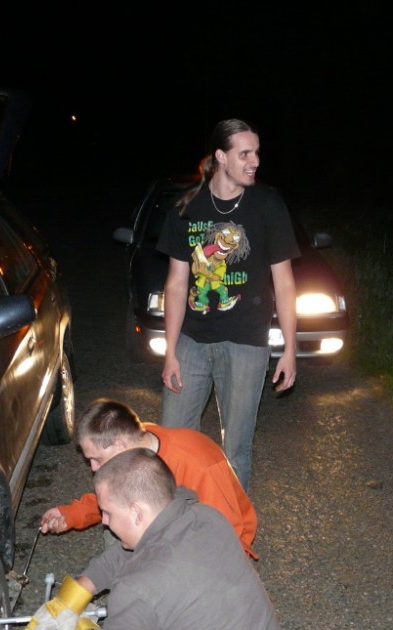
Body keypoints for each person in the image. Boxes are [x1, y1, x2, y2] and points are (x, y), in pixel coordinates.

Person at [14, 448, 296, 630]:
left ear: (137, 512)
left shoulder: (137, 590)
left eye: (108, 512)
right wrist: (75, 594)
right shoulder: (207, 518)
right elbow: (130, 552)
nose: (104, 521)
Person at [158, 118, 299, 491]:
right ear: (221, 156)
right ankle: (179, 518)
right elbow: (176, 284)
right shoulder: (186, 208)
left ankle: (232, 521)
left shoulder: (268, 205)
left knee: (235, 450)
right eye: (245, 154)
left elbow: (285, 283)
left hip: (247, 343)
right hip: (191, 342)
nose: (255, 161)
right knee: (173, 443)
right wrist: (170, 351)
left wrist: (289, 348)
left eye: (257, 153)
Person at [39, 397, 258, 558]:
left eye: (96, 459)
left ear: (120, 446)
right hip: (168, 524)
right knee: (117, 531)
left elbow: (228, 535)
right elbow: (114, 498)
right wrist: (71, 514)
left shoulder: (197, 464)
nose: (94, 469)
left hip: (209, 541)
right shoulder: (135, 445)